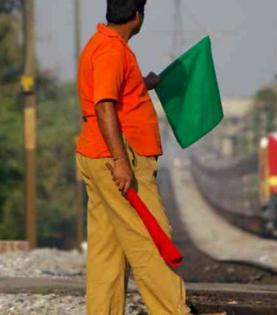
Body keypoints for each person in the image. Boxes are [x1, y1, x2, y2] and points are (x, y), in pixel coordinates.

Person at [75, 0, 197, 314]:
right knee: (151, 237)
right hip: (118, 155)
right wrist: (120, 161)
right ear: (137, 16)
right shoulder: (112, 51)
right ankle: (173, 310)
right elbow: (104, 106)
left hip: (97, 152)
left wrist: (144, 85)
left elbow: (113, 94)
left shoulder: (102, 44)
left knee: (107, 248)